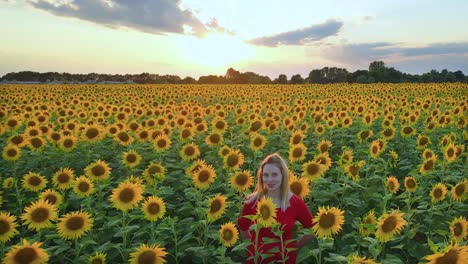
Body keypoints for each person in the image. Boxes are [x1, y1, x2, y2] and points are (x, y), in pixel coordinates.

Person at [238, 153, 315, 264]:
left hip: (284, 260)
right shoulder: (252, 201)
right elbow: (243, 227)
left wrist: (295, 247)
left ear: (283, 176)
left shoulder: (294, 202)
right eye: (266, 175)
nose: (270, 180)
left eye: (274, 175)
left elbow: (312, 229)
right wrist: (252, 246)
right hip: (257, 260)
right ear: (261, 177)